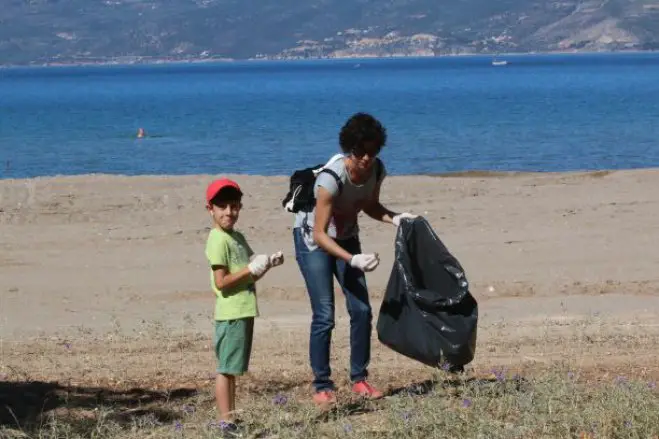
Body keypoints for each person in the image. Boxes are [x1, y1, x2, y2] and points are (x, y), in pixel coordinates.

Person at [292, 112, 417, 406]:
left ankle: (359, 379)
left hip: (347, 237)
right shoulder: (331, 179)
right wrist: (352, 260)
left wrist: (396, 218)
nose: (365, 158)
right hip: (312, 240)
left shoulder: (377, 170)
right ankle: (322, 385)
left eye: (371, 151)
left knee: (361, 310)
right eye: (359, 151)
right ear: (350, 149)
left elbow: (370, 205)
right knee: (324, 314)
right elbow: (321, 234)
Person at [204, 178, 284, 435]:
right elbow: (222, 282)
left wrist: (266, 264)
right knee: (225, 370)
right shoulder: (217, 239)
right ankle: (225, 423)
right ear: (211, 209)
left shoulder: (237, 237)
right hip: (230, 313)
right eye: (223, 206)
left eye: (234, 206)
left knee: (233, 369)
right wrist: (250, 269)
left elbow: (249, 273)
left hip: (244, 310)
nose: (229, 212)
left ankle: (232, 418)